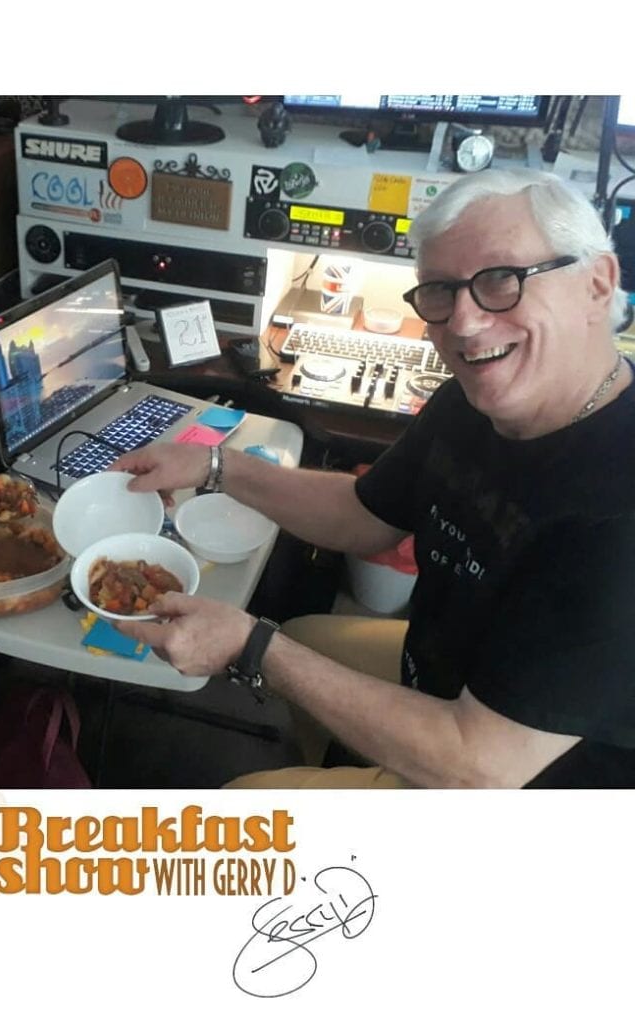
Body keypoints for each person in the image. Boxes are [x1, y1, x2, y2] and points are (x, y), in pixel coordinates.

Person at [111, 168, 635, 789]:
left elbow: (482, 768)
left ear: (597, 284)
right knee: (304, 638)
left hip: (523, 785)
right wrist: (214, 466)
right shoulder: (472, 402)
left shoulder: (617, 510)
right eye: (441, 291)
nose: (464, 324)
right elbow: (363, 516)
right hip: (454, 684)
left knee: (236, 808)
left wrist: (250, 647)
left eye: (501, 279)